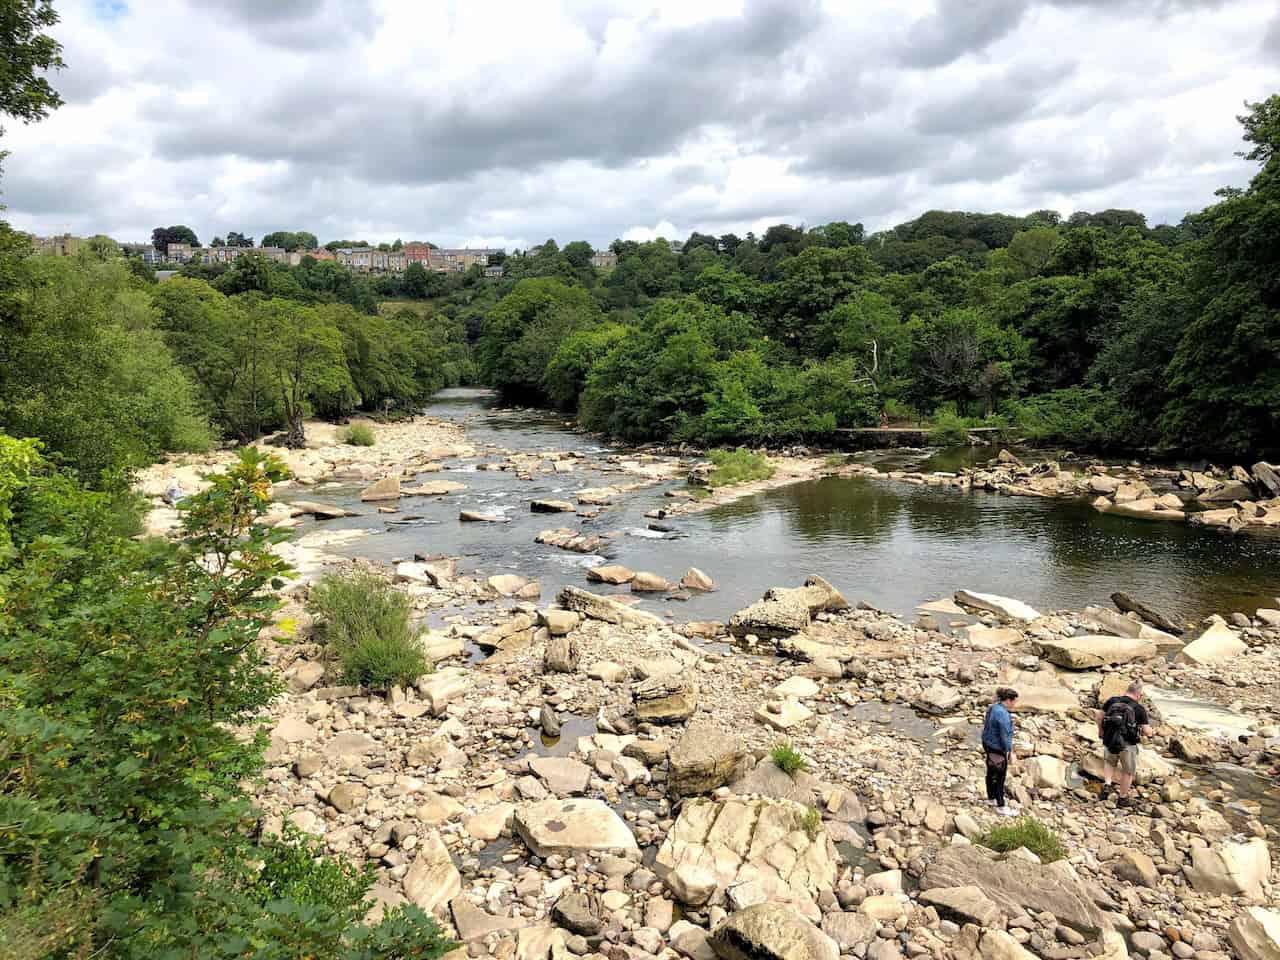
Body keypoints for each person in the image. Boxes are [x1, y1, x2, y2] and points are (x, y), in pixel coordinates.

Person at [1097, 680, 1154, 808]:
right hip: (1128, 744)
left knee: (1109, 762)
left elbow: (1100, 715)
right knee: (1128, 771)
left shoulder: (1113, 701)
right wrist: (1151, 733)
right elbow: (1146, 730)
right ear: (1139, 694)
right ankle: (1122, 798)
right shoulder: (1139, 708)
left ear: (1127, 690)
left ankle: (1107, 785)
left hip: (1110, 739)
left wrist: (1100, 731)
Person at [981, 687, 1019, 816]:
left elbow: (986, 725)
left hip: (988, 744)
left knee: (990, 773)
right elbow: (1005, 736)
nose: (1015, 704)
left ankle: (991, 798)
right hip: (997, 748)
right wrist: (1010, 752)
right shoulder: (1003, 715)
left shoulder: (993, 707)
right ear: (1009, 700)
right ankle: (1001, 805)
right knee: (1000, 777)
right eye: (1014, 701)